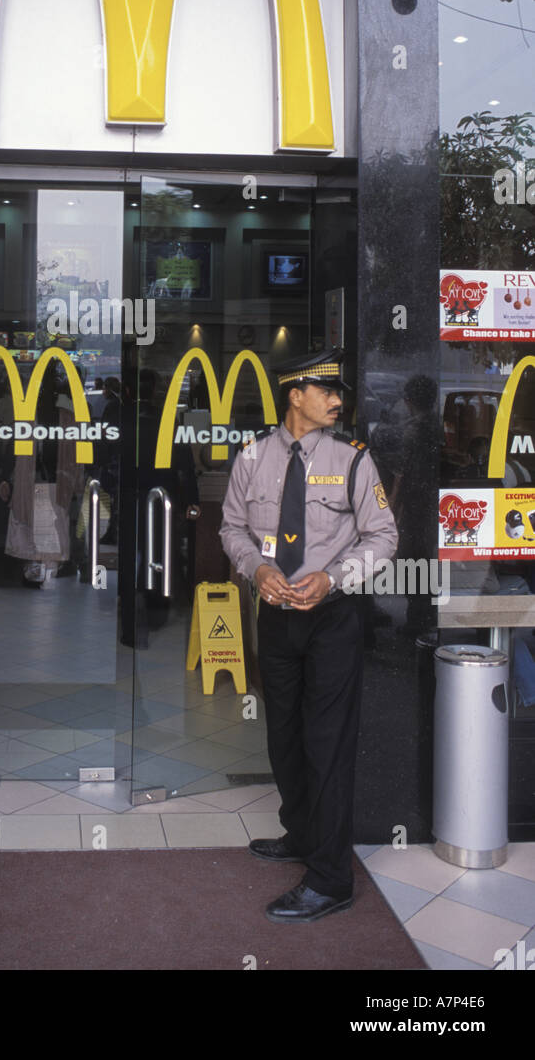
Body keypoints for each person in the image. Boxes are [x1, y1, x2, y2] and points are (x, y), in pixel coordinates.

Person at [220, 350, 398, 923]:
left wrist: (333, 577)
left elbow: (382, 537)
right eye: (326, 390)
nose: (337, 400)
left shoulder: (351, 461)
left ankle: (330, 878)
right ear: (295, 395)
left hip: (332, 620)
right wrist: (256, 569)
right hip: (275, 617)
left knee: (327, 745)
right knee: (285, 737)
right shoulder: (252, 458)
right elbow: (232, 528)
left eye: (337, 391)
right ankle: (300, 834)